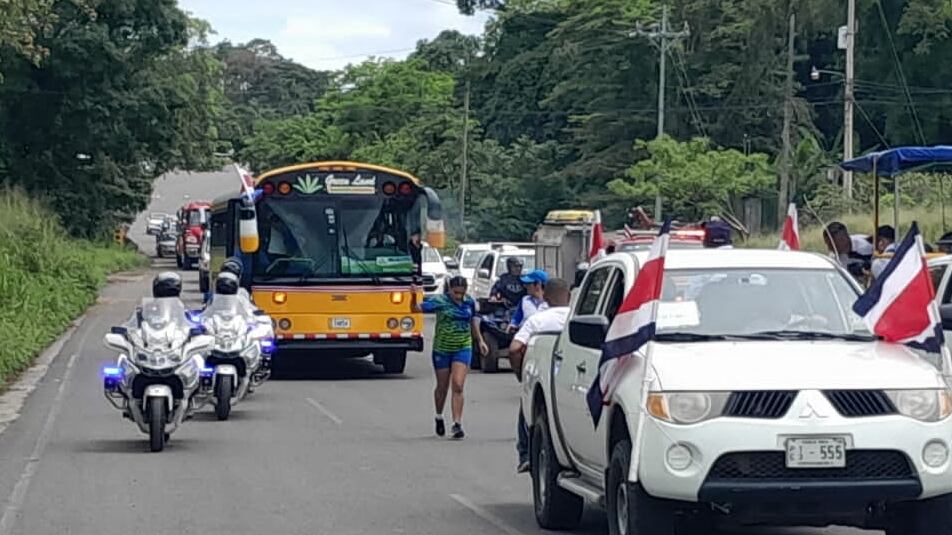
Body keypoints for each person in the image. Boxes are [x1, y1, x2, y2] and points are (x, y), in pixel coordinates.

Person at [411, 276, 488, 440]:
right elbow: (416, 309)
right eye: (456, 292)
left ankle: (457, 423)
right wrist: (412, 295)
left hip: (463, 346)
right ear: (449, 289)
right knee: (442, 386)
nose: (459, 296)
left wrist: (480, 341)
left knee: (458, 385)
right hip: (442, 349)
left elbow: (473, 322)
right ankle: (439, 416)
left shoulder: (469, 302)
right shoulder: (440, 301)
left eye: (462, 292)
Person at [508, 278, 572, 473]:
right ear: (569, 297)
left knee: (525, 409)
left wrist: (520, 374)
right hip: (574, 378)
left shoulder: (537, 320)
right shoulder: (576, 317)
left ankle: (525, 454)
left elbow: (514, 348)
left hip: (543, 378)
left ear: (545, 297)